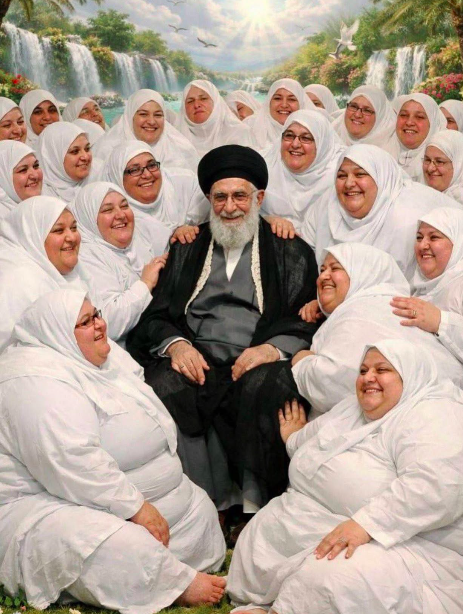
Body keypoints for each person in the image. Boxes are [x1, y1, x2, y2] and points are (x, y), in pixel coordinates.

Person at [0, 288, 227, 613]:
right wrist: (136, 508)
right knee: (118, 543)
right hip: (45, 503)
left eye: (97, 314)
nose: (100, 324)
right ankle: (170, 582)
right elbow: (72, 461)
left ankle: (162, 570)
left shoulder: (97, 355)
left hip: (106, 496)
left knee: (198, 509)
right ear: (58, 331)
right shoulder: (33, 381)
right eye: (85, 322)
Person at [126, 145, 319, 511]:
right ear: (209, 200)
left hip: (258, 354)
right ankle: (204, 501)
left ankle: (255, 505)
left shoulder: (289, 249)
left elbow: (305, 315)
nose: (230, 207)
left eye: (240, 196)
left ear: (259, 198)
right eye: (220, 197)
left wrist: (270, 350)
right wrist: (178, 346)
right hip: (198, 353)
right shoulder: (188, 246)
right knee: (166, 382)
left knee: (267, 385)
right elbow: (157, 313)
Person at [226, 339, 463, 614]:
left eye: (382, 370)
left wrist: (366, 524)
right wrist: (293, 438)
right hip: (325, 520)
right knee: (266, 533)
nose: (368, 377)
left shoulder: (434, 414)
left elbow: (436, 486)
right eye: (363, 370)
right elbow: (315, 440)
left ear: (410, 374)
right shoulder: (352, 409)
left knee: (333, 578)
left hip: (403, 541)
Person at [292, 242, 463, 420]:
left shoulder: (361, 311)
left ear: (363, 273)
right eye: (322, 270)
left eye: (335, 268)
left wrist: (302, 361)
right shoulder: (389, 304)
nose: (323, 277)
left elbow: (333, 382)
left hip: (426, 419)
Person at [302, 143, 458, 280]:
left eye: (360, 174)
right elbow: (303, 258)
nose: (349, 183)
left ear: (382, 178)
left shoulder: (408, 218)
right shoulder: (326, 205)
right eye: (342, 176)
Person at [71, 182, 169, 346]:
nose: (121, 215)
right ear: (90, 219)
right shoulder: (86, 258)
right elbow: (109, 322)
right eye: (107, 210)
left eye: (124, 206)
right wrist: (145, 284)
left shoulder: (139, 239)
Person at [0, 195, 90, 351]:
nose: (71, 237)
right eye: (59, 230)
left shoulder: (69, 269)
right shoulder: (19, 282)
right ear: (33, 236)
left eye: (74, 228)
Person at [391, 207, 463, 363]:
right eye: (419, 238)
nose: (422, 245)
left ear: (458, 243)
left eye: (434, 237)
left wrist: (440, 322)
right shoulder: (417, 287)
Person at [104, 141, 209, 243]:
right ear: (118, 178)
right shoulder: (114, 217)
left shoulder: (185, 184)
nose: (147, 175)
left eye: (151, 165)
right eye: (135, 170)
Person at [262, 110, 345, 232]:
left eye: (306, 138)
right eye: (289, 136)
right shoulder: (265, 166)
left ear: (321, 144)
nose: (295, 144)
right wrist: (266, 220)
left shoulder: (339, 177)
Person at [93, 89, 199, 172]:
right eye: (143, 114)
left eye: (158, 115)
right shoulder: (106, 151)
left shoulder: (182, 149)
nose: (151, 121)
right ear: (130, 117)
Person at [176, 80, 255, 157]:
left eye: (203, 98)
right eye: (190, 101)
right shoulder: (177, 140)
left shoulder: (239, 133)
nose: (196, 105)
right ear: (184, 109)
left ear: (216, 102)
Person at [245, 78, 316, 151]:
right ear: (269, 102)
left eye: (291, 99)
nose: (284, 105)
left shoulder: (314, 132)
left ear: (301, 104)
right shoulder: (250, 126)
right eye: (278, 98)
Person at [392, 93, 446, 182]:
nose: (409, 122)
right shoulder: (382, 154)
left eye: (419, 117)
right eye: (404, 115)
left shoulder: (442, 166)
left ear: (433, 124)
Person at [36, 122, 95, 203]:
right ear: (54, 158)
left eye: (87, 149)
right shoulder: (41, 198)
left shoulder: (97, 177)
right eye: (75, 151)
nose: (85, 157)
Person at [332, 85, 397, 153]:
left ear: (380, 118)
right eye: (354, 106)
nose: (357, 115)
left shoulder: (390, 152)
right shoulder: (332, 136)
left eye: (367, 110)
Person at [0, 140, 42, 219]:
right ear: (3, 178)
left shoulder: (46, 205)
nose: (35, 175)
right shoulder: (3, 220)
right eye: (23, 170)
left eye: (36, 166)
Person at [422, 129, 463, 204]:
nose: (430, 168)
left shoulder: (458, 204)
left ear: (459, 165)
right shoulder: (419, 194)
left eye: (439, 162)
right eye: (427, 160)